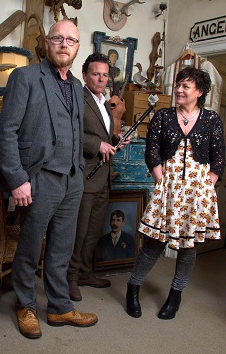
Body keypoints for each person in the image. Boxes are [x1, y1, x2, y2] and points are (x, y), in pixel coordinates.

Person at [0, 19, 97, 339]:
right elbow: (6, 131)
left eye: (71, 40)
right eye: (58, 38)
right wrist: (17, 179)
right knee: (29, 246)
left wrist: (78, 167)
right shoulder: (25, 77)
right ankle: (25, 304)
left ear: (78, 47)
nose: (64, 45)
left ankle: (59, 306)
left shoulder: (77, 86)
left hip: (72, 178)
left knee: (61, 248)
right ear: (47, 43)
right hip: (39, 178)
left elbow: (76, 131)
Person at [126, 66, 225, 320]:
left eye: (185, 86)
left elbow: (219, 158)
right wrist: (162, 182)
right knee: (154, 244)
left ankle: (175, 295)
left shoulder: (212, 119)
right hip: (167, 188)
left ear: (199, 92)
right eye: (178, 84)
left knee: (188, 247)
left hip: (197, 193)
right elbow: (152, 151)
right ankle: (133, 287)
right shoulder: (163, 116)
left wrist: (206, 185)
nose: (179, 89)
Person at [67, 52, 129, 302]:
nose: (101, 79)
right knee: (79, 231)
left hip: (104, 177)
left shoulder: (104, 102)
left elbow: (102, 134)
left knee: (94, 230)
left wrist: (114, 140)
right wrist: (97, 145)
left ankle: (84, 272)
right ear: (85, 75)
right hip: (85, 175)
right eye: (96, 74)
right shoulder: (78, 98)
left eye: (105, 75)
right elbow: (71, 133)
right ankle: (69, 277)